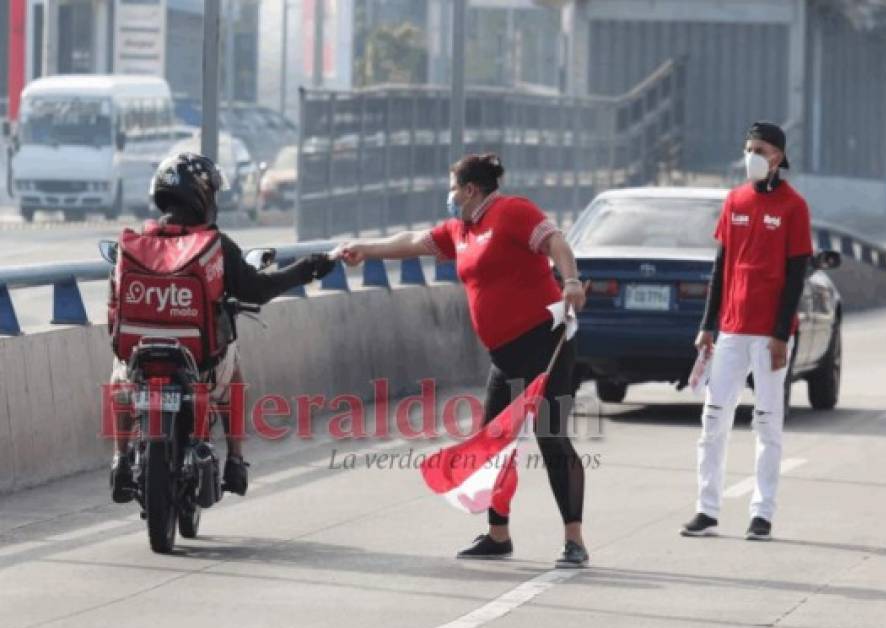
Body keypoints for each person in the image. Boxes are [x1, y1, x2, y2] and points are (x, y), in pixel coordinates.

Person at [340, 153, 590, 567]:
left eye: (454, 187)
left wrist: (572, 280)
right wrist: (364, 249)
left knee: (552, 440)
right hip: (504, 356)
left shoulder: (512, 212)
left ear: (472, 189)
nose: (451, 195)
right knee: (491, 445)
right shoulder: (460, 230)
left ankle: (574, 539)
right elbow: (410, 242)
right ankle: (498, 535)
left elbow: (556, 242)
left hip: (546, 346)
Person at [109, 152, 335, 502]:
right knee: (236, 374)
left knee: (118, 379)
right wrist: (305, 270)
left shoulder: (135, 244)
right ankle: (236, 460)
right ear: (201, 196)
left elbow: (115, 305)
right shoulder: (215, 246)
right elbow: (256, 290)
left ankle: (121, 459)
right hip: (200, 361)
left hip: (139, 353)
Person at [681, 122, 812, 541]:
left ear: (777, 156)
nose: (750, 154)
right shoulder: (734, 200)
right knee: (713, 419)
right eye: (747, 147)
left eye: (759, 148)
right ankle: (707, 509)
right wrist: (707, 325)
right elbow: (720, 269)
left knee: (767, 422)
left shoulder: (794, 207)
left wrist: (780, 334)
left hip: (770, 333)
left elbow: (795, 276)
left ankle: (762, 512)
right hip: (731, 331)